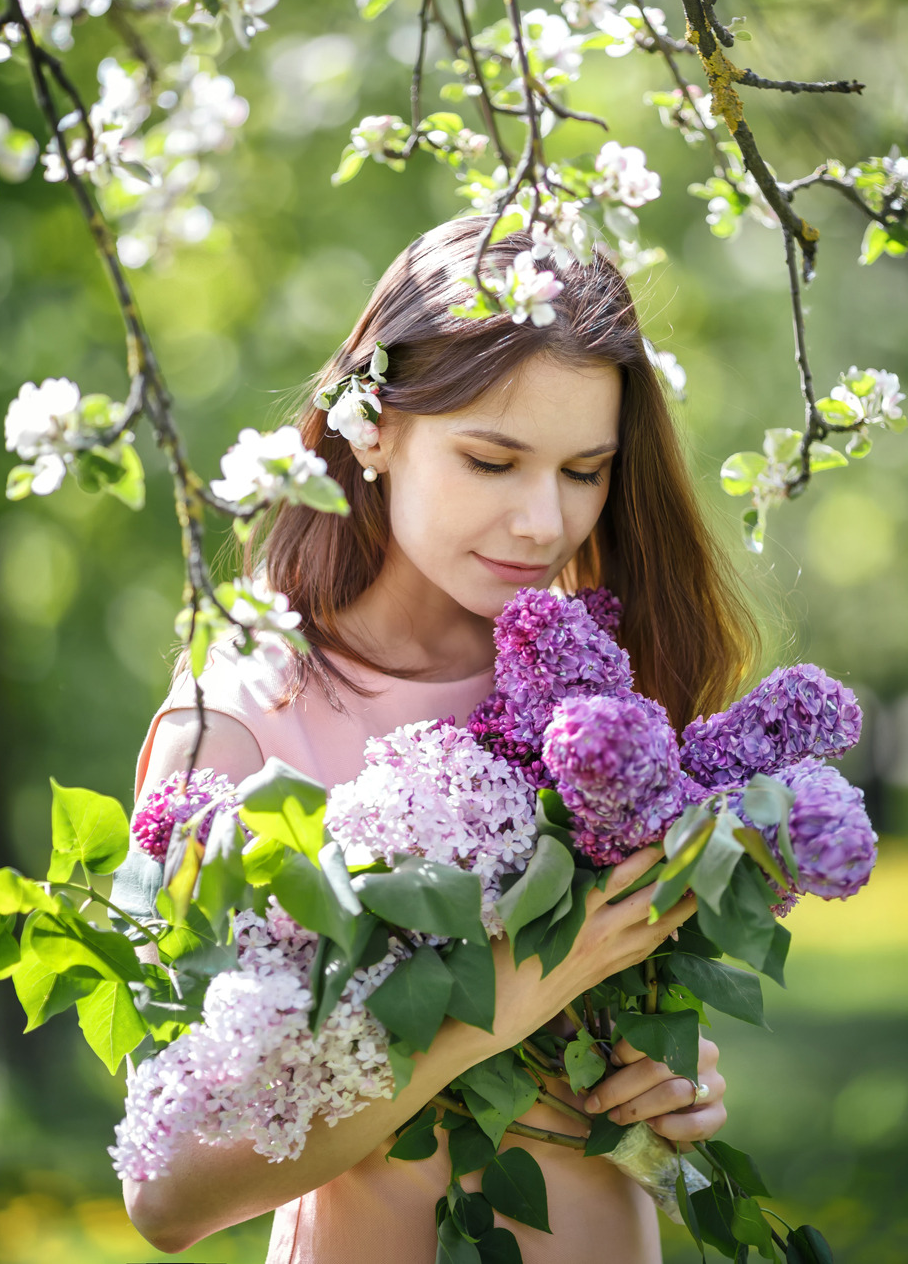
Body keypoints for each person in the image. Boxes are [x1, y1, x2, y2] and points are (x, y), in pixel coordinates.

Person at [124, 215, 760, 1263]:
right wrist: (508, 998)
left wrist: (666, 1085)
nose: (541, 525)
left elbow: (619, 1043)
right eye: (493, 459)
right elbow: (166, 1194)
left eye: (582, 470)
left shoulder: (598, 684)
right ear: (372, 428)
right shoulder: (237, 718)